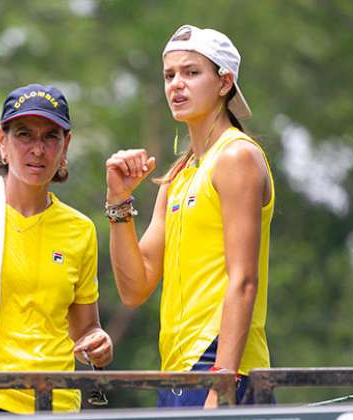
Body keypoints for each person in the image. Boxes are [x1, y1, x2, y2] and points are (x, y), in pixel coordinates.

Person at [105, 25, 274, 408]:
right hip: (177, 370)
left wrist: (222, 384)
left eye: (191, 72)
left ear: (224, 82)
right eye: (169, 75)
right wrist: (118, 202)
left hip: (223, 369)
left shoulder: (236, 156)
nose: (176, 85)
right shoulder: (178, 175)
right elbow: (135, 288)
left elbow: (243, 280)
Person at [0, 84, 113, 414]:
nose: (38, 150)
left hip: (57, 402)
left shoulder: (80, 229)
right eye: (24, 135)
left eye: (50, 137)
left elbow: (84, 330)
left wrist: (98, 343)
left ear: (66, 144)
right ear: (2, 140)